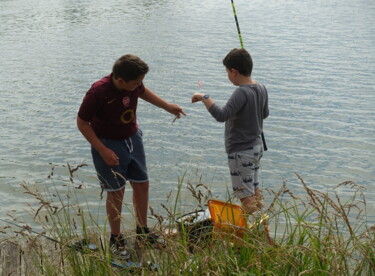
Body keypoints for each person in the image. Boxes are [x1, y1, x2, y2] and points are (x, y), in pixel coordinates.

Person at [77, 54, 186, 259]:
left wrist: (167, 106)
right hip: (108, 143)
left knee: (142, 183)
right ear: (120, 80)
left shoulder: (134, 85)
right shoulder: (98, 92)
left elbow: (143, 92)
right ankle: (116, 238)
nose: (139, 85)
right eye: (135, 82)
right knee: (116, 191)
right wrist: (102, 150)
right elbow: (82, 124)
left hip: (132, 138)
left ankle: (143, 231)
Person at [192, 48, 269, 214]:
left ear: (234, 72)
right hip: (256, 148)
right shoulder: (262, 88)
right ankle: (264, 232)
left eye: (227, 71)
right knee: (254, 192)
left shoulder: (241, 92)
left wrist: (204, 97)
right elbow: (265, 114)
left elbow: (222, 115)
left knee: (245, 196)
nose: (228, 75)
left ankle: (257, 235)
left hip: (241, 152)